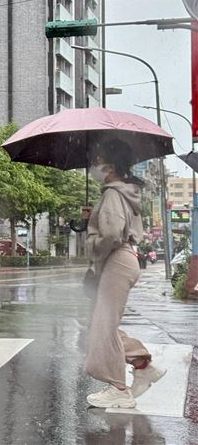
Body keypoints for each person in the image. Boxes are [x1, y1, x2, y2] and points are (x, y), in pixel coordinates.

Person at [84, 139, 166, 409]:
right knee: (101, 323)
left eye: (96, 161)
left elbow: (111, 233)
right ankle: (143, 365)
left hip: (117, 260)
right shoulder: (125, 191)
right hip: (124, 259)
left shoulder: (113, 193)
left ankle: (119, 388)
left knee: (104, 326)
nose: (93, 167)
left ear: (109, 167)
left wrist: (93, 244)